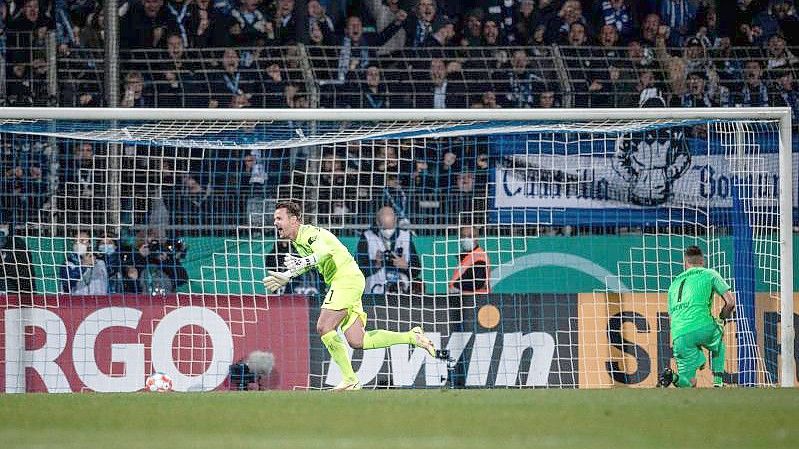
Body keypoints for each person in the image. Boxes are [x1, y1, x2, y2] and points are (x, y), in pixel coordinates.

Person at [263, 201, 436, 391]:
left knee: (324, 326)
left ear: (294, 220)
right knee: (358, 340)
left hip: (344, 280)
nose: (275, 222)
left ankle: (350, 379)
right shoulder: (298, 241)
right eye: (274, 219)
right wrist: (287, 275)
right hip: (348, 280)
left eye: (279, 218)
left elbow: (324, 253)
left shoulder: (310, 234)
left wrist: (303, 262)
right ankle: (412, 337)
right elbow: (313, 262)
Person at [659, 246, 735, 388]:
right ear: (703, 261)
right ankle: (718, 382)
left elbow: (672, 315)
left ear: (685, 263)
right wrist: (721, 319)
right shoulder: (710, 274)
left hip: (679, 335)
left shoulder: (673, 284)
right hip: (703, 327)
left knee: (688, 384)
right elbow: (730, 303)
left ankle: (672, 376)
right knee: (718, 339)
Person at [357, 205, 420, 295]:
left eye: (389, 215)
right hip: (375, 292)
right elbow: (358, 269)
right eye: (384, 228)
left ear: (395, 220)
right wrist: (376, 264)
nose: (388, 232)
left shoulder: (406, 236)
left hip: (402, 292)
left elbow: (417, 270)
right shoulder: (367, 237)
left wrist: (406, 266)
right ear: (377, 222)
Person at [448, 226, 490, 295]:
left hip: (476, 300)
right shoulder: (468, 257)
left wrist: (456, 286)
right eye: (463, 236)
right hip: (465, 300)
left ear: (477, 238)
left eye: (470, 236)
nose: (466, 239)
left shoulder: (479, 256)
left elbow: (478, 282)